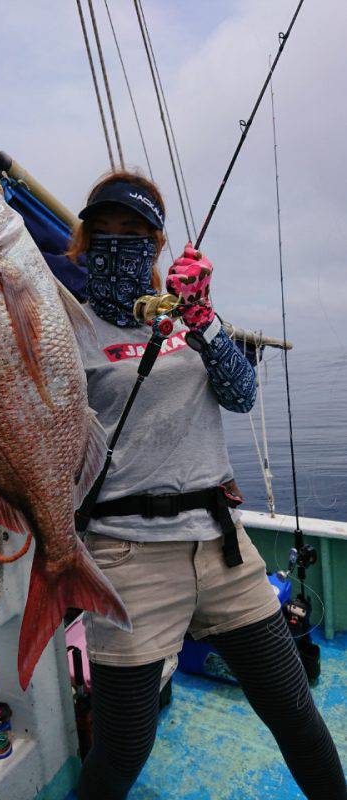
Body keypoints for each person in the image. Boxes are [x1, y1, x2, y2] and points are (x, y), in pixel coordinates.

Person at [66, 170, 346, 800]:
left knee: (294, 711)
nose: (117, 243)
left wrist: (204, 320)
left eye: (133, 232)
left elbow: (242, 396)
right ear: (82, 242)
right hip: (123, 554)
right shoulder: (70, 331)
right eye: (102, 231)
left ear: (158, 244)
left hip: (220, 546)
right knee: (125, 746)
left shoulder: (190, 323)